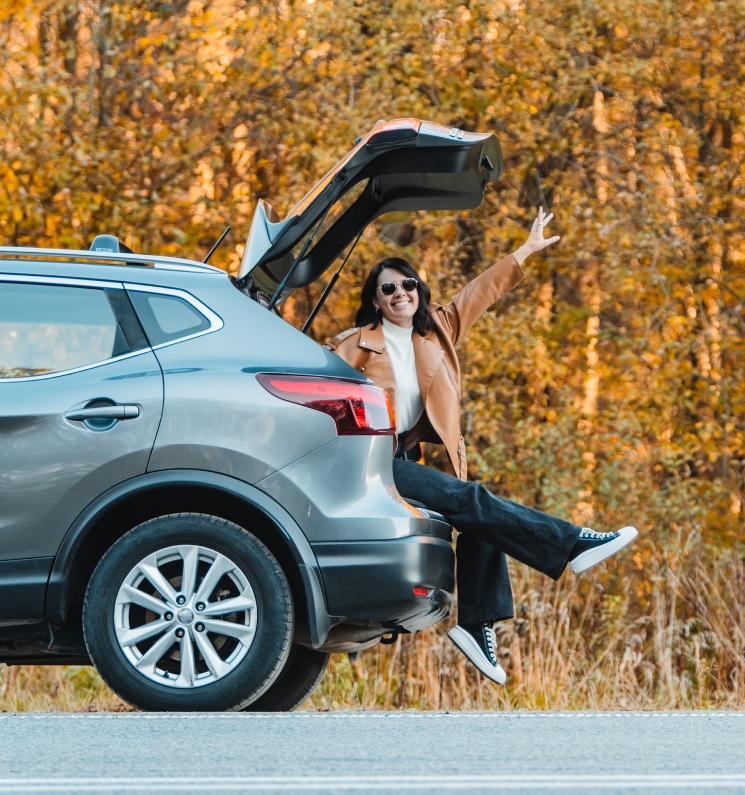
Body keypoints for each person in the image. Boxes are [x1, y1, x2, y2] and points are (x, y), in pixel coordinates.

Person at [324, 207, 638, 685]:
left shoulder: (437, 331)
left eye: (407, 284)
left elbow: (481, 291)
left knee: (477, 515)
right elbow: (321, 395)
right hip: (369, 462)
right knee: (473, 499)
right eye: (388, 289)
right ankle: (571, 544)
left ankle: (476, 626)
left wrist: (525, 250)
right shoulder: (352, 346)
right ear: (375, 300)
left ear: (418, 289)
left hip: (404, 458)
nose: (400, 293)